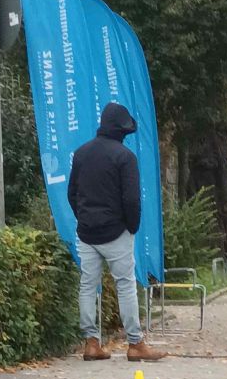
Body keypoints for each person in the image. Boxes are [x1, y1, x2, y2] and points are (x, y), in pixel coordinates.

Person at [68, 102, 166, 362]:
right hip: (116, 232)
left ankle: (91, 343)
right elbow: (131, 199)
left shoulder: (81, 153)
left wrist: (83, 218)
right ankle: (135, 343)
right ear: (121, 130)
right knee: (125, 285)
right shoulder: (125, 157)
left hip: (86, 233)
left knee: (88, 285)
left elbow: (72, 193)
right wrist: (131, 226)